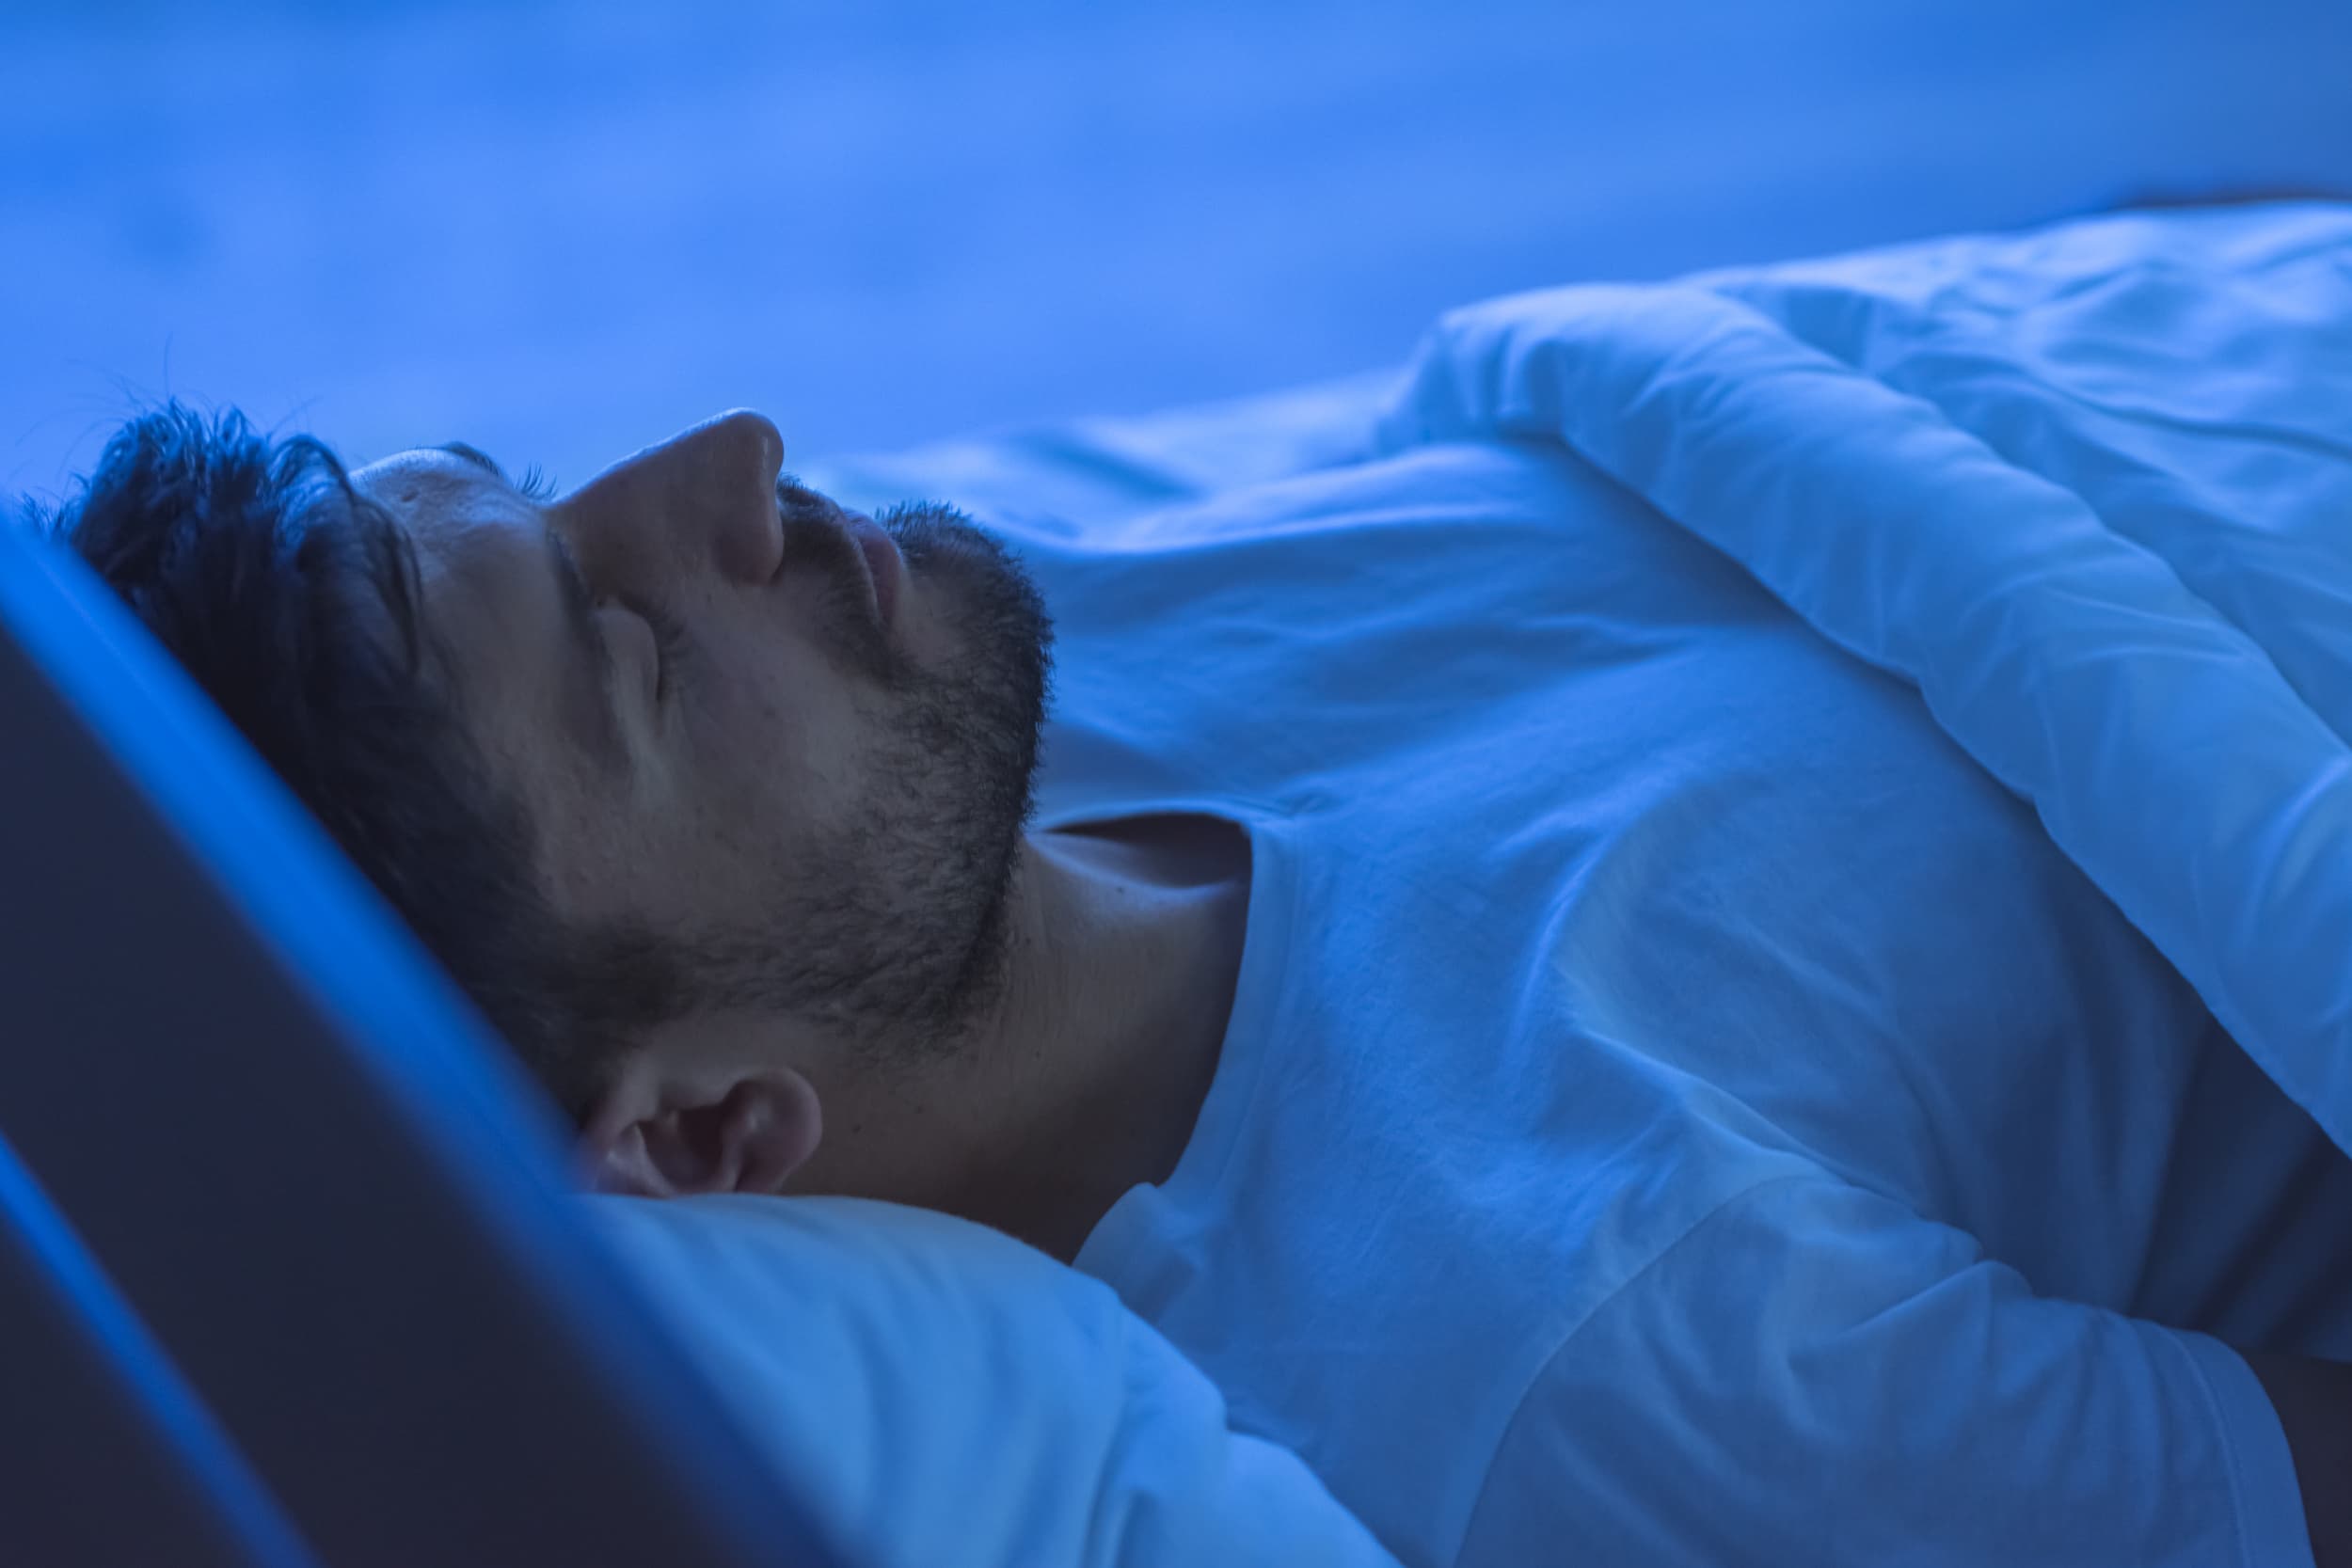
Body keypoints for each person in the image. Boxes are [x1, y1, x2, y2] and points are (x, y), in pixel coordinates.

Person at [25, 401, 2352, 1566]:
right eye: (630, 650)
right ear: (717, 1135)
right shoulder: (1580, 1360)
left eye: (550, 492)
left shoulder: (990, 658)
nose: (731, 471)